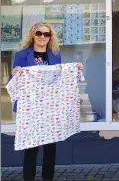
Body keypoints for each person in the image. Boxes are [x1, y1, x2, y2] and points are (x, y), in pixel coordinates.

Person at [11, 22, 83, 181]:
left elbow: (59, 77)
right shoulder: (22, 55)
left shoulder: (55, 54)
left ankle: (47, 178)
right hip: (31, 108)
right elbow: (13, 81)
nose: (43, 37)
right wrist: (16, 73)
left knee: (50, 147)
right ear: (32, 35)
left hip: (50, 108)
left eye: (46, 34)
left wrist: (74, 70)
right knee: (31, 147)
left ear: (50, 37)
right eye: (39, 33)